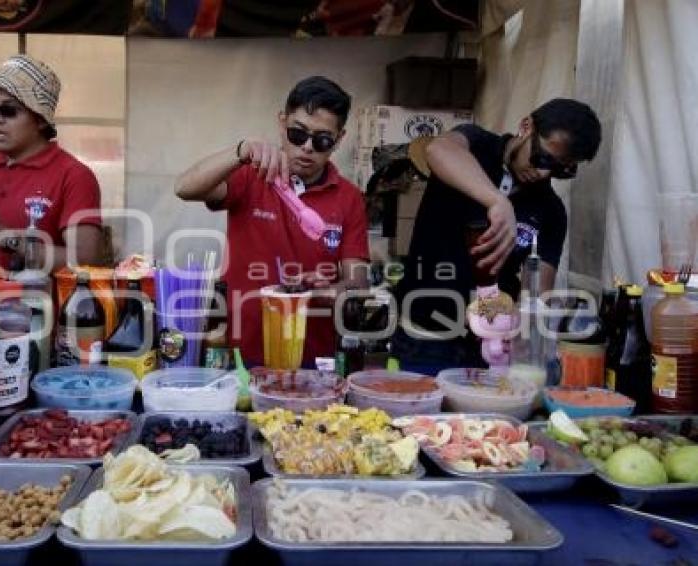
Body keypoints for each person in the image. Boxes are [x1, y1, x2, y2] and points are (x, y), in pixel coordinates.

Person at [392, 98, 602, 373]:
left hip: (486, 350)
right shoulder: (477, 144)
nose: (543, 173)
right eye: (542, 158)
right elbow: (437, 149)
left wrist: (512, 322)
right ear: (526, 127)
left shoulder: (551, 211)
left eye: (561, 170)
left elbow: (535, 293)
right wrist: (497, 202)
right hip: (424, 338)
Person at [175, 76, 370, 367]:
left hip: (313, 360)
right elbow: (185, 187)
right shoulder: (250, 176)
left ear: (339, 139)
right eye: (297, 134)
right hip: (241, 356)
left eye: (322, 140)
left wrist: (326, 291)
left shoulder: (349, 197)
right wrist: (240, 151)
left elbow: (358, 282)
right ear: (282, 124)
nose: (306, 147)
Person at [0, 54, 103, 270]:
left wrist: (1, 235)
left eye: (8, 110)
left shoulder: (74, 176)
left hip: (37, 303)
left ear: (41, 120)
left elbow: (84, 260)